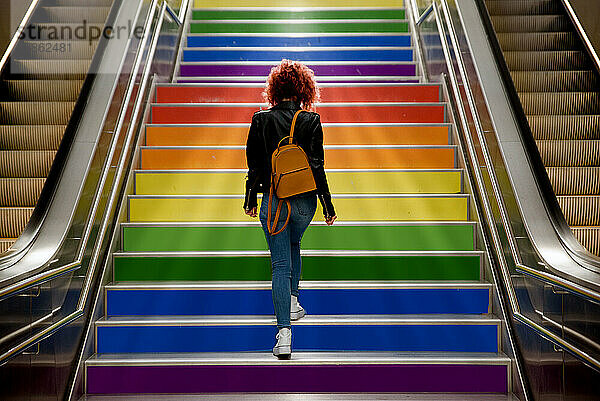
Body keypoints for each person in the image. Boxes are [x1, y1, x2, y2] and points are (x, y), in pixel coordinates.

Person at [243, 59, 337, 359]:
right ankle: (294, 300)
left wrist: (250, 200)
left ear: (274, 89)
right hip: (304, 202)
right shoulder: (311, 120)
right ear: (304, 89)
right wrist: (328, 205)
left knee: (279, 266)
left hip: (274, 201)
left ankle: (284, 335)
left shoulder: (260, 120)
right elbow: (318, 166)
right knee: (295, 242)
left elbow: (254, 167)